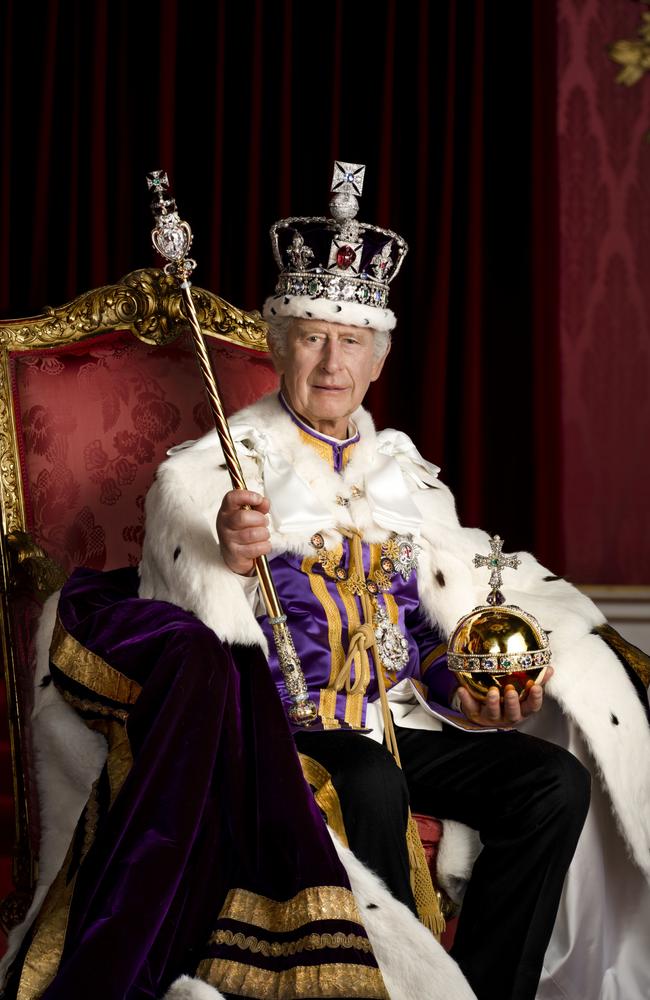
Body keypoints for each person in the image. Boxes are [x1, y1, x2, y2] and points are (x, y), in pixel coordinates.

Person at [2, 162, 649, 1000]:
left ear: (378, 358)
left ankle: (487, 990)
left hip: (387, 722)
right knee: (371, 780)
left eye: (350, 341)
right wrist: (223, 551)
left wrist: (478, 694)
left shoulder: (407, 481)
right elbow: (175, 608)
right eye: (311, 336)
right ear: (278, 347)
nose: (331, 361)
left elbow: (423, 640)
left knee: (548, 783)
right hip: (275, 729)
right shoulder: (214, 473)